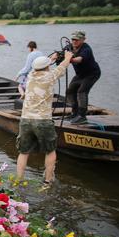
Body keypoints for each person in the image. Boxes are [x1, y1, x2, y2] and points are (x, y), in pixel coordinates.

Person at [16, 50, 74, 185]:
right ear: (47, 67)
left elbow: (43, 67)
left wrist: (52, 59)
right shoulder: (50, 76)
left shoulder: (30, 76)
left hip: (25, 120)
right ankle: (47, 182)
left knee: (23, 152)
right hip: (42, 121)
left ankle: (18, 180)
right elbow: (63, 66)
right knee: (50, 150)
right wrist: (68, 57)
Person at [65, 30, 100, 124]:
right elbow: (60, 53)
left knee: (82, 91)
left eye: (77, 39)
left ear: (83, 40)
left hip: (92, 74)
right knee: (70, 91)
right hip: (80, 75)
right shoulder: (69, 47)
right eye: (73, 39)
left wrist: (69, 59)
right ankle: (74, 113)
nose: (74, 41)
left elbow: (79, 59)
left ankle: (82, 116)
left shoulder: (86, 49)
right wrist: (54, 57)